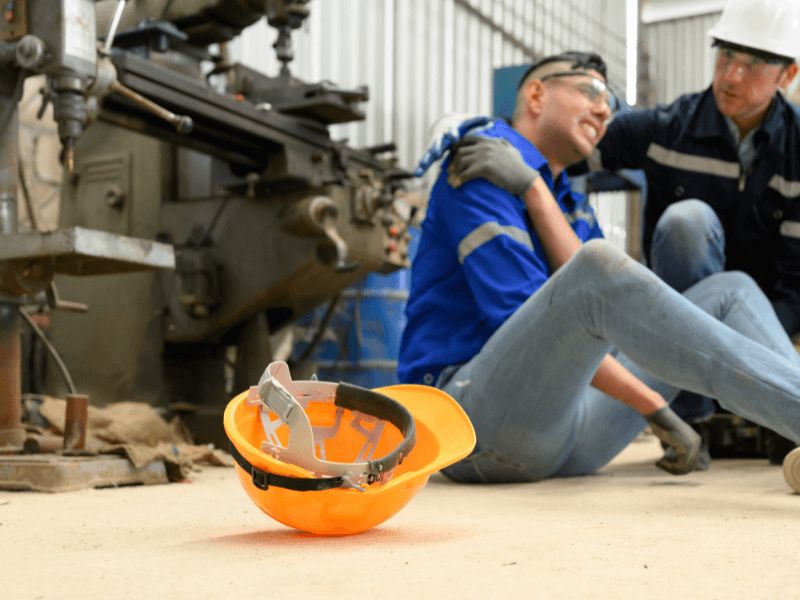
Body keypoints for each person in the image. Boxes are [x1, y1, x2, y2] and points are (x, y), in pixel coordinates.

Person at [397, 51, 800, 482]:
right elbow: (531, 308)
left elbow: (598, 316)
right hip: (473, 423)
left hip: (566, 430)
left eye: (608, 100)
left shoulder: (569, 203)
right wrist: (654, 405)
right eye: (589, 91)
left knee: (728, 291)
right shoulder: (482, 163)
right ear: (535, 94)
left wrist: (536, 190)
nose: (604, 109)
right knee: (599, 266)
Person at [589, 0, 800, 431]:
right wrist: (486, 131)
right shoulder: (669, 129)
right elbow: (554, 145)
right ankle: (690, 409)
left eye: (754, 64)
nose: (730, 76)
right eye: (725, 56)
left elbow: (794, 282)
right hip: (682, 317)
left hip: (759, 322)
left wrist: (744, 365)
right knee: (688, 222)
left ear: (788, 74)